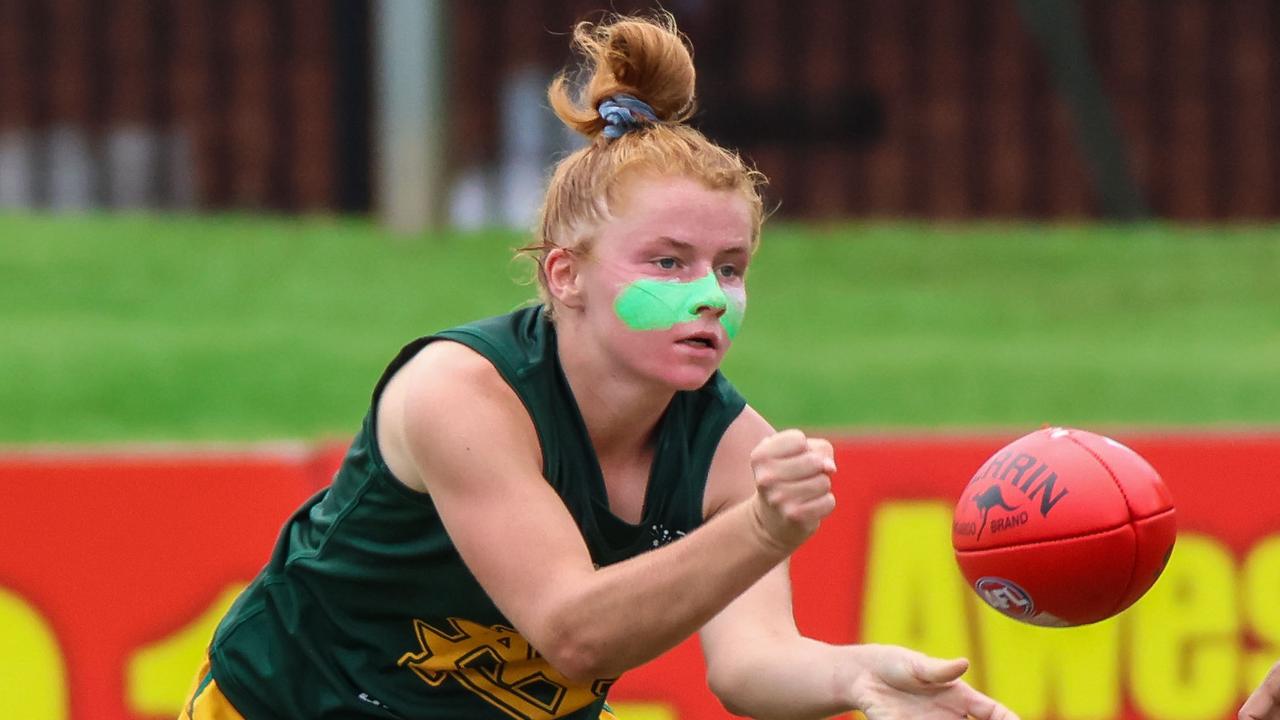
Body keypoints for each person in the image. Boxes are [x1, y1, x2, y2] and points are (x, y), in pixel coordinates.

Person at [180, 13, 1019, 720]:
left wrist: (854, 677)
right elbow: (573, 633)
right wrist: (762, 528)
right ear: (565, 276)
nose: (708, 297)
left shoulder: (732, 450)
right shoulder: (461, 393)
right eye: (667, 262)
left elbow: (750, 665)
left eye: (730, 268)